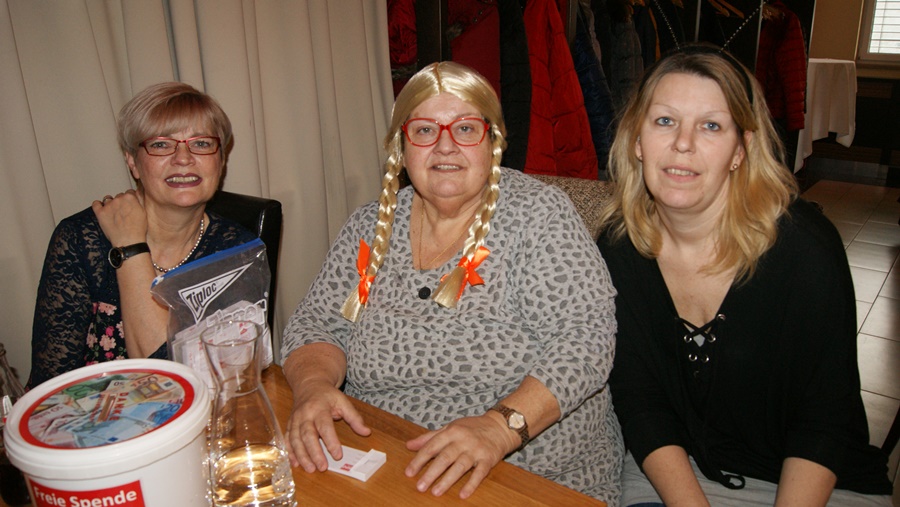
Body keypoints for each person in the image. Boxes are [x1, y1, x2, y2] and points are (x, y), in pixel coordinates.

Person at [281, 61, 623, 503]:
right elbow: (317, 324)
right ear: (402, 146)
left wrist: (498, 429)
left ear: (493, 142)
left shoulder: (537, 217)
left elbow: (585, 341)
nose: (445, 146)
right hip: (385, 459)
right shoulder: (370, 226)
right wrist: (313, 387)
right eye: (424, 131)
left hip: (527, 475)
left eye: (465, 129)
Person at [596, 45, 894, 506]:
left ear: (741, 149)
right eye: (665, 121)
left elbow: (824, 420)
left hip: (816, 485)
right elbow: (640, 400)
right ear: (637, 140)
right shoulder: (619, 247)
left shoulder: (804, 249)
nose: (683, 143)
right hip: (679, 473)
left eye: (711, 126)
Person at [28, 82, 256, 389]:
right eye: (161, 144)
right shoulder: (80, 240)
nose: (184, 158)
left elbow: (194, 381)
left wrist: (130, 247)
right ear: (132, 162)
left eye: (201, 143)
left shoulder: (237, 249)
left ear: (221, 160)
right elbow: (50, 385)